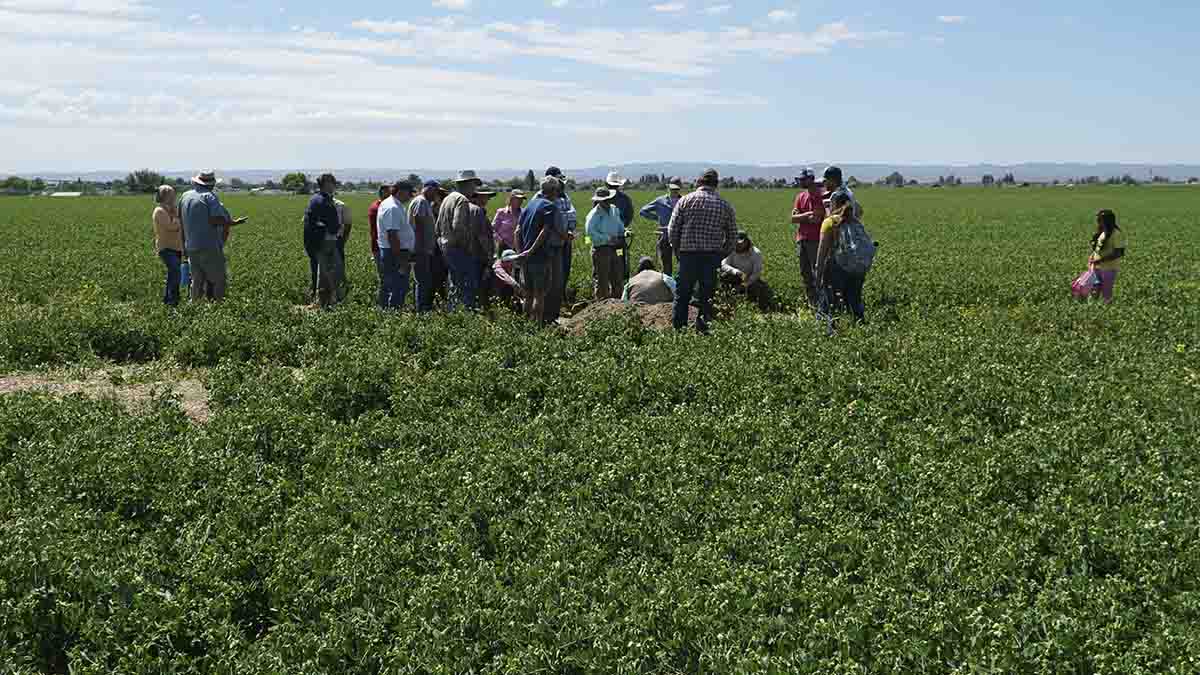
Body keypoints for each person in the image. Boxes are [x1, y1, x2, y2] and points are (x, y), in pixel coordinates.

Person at [667, 168, 737, 332]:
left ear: (699, 182)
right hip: (711, 256)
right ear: (716, 184)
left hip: (687, 255)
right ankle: (703, 331)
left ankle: (679, 330)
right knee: (707, 297)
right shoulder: (724, 205)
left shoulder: (685, 201)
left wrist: (677, 250)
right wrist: (721, 255)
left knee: (682, 294)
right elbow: (733, 236)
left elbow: (672, 230)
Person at [179, 170, 244, 302]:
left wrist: (183, 245)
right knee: (218, 280)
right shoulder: (209, 196)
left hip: (191, 246)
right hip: (209, 245)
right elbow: (216, 219)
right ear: (211, 184)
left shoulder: (185, 196)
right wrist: (232, 223)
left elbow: (181, 222)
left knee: (197, 280)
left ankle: (194, 306)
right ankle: (218, 307)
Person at [514, 175, 564, 323]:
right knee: (539, 295)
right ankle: (537, 327)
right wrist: (531, 251)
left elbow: (517, 231)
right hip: (540, 257)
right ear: (554, 190)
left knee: (528, 295)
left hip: (526, 259)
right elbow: (545, 230)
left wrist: (521, 253)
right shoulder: (550, 206)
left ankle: (525, 326)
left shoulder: (530, 205)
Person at [815, 192, 868, 322]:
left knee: (829, 304)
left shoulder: (830, 222)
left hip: (836, 268)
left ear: (834, 204)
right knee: (854, 302)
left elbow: (822, 252)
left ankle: (828, 333)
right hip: (857, 269)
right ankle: (861, 329)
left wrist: (818, 272)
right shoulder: (855, 221)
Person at [437, 170, 484, 311]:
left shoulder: (447, 199)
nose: (475, 189)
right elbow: (458, 227)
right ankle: (465, 315)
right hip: (458, 248)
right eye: (474, 185)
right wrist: (466, 247)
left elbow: (437, 226)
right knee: (466, 284)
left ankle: (453, 313)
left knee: (454, 282)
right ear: (468, 184)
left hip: (446, 247)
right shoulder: (462, 200)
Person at [303, 173, 343, 309]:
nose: (334, 184)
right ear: (326, 184)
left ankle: (325, 301)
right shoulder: (323, 201)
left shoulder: (316, 198)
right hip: (325, 241)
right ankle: (325, 302)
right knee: (329, 272)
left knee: (326, 272)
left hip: (318, 241)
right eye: (332, 182)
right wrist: (336, 228)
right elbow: (332, 225)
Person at [376, 180, 415, 309]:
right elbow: (392, 235)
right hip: (394, 252)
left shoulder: (393, 204)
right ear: (401, 191)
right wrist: (400, 258)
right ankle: (393, 312)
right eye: (410, 193)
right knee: (398, 285)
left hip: (393, 251)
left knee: (390, 284)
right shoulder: (392, 207)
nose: (411, 197)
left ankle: (386, 310)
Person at [544, 167, 576, 322]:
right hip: (552, 244)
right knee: (552, 279)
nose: (561, 184)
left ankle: (558, 308)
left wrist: (569, 231)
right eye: (558, 181)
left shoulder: (565, 197)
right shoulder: (542, 199)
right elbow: (552, 225)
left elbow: (572, 215)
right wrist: (564, 233)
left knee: (563, 274)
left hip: (565, 242)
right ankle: (550, 314)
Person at [790, 168, 826, 307]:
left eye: (803, 179)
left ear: (811, 179)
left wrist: (802, 216)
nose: (800, 182)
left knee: (818, 272)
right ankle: (813, 304)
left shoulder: (820, 196)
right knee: (805, 273)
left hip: (816, 240)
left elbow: (816, 219)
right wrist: (807, 215)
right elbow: (793, 218)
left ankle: (822, 304)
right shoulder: (800, 196)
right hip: (802, 239)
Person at [585, 187, 627, 300]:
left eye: (608, 199)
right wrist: (607, 239)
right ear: (599, 201)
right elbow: (590, 233)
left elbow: (619, 225)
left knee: (617, 277)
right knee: (602, 280)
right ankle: (601, 307)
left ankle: (617, 305)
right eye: (604, 200)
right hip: (601, 250)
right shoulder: (594, 214)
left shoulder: (614, 210)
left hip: (615, 248)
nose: (607, 202)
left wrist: (624, 232)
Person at [639, 178, 683, 276]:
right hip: (664, 236)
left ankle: (679, 287)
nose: (674, 191)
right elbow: (643, 211)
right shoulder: (661, 201)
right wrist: (657, 218)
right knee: (666, 264)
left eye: (676, 189)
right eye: (673, 188)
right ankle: (667, 285)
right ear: (669, 187)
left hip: (680, 236)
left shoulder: (684, 200)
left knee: (682, 264)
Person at [408, 180, 440, 312]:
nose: (436, 194)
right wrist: (422, 247)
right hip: (420, 249)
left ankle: (420, 306)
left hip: (422, 248)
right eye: (436, 191)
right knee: (423, 280)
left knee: (421, 280)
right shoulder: (421, 201)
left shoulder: (424, 202)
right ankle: (422, 309)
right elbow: (419, 225)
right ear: (429, 189)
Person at [720, 231, 771, 310]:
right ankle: (726, 301)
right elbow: (723, 264)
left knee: (758, 288)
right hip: (736, 276)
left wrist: (743, 285)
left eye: (741, 243)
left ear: (747, 242)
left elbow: (756, 274)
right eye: (736, 242)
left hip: (750, 279)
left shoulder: (756, 253)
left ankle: (756, 306)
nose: (739, 245)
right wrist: (735, 271)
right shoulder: (733, 250)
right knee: (724, 276)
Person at [152, 185, 183, 307]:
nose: (174, 196)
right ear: (164, 196)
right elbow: (172, 226)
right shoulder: (159, 211)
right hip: (166, 248)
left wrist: (176, 214)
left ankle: (170, 300)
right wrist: (177, 217)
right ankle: (172, 301)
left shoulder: (172, 209)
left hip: (177, 247)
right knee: (175, 271)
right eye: (171, 194)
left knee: (174, 274)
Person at [1087, 209, 1126, 303]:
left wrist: (1100, 260)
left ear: (1106, 220)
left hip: (1109, 268)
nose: (1097, 222)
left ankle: (1107, 308)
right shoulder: (1102, 232)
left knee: (1106, 293)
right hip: (1096, 267)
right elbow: (1098, 249)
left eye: (1099, 220)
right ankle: (1091, 309)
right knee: (1094, 290)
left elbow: (1119, 252)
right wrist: (1092, 257)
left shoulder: (1116, 234)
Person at [470, 189, 497, 310]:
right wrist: (489, 255)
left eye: (487, 197)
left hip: (477, 254)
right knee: (480, 287)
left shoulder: (476, 210)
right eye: (484, 196)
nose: (486, 199)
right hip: (479, 255)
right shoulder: (477, 211)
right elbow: (481, 236)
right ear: (477, 196)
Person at [606, 171, 636, 279]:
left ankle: (619, 284)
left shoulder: (625, 199)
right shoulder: (624, 199)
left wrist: (621, 228)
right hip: (612, 239)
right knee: (617, 261)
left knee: (618, 259)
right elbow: (629, 215)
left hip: (615, 240)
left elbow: (629, 215)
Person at [368, 184, 390, 307]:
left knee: (385, 278)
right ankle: (383, 305)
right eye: (389, 193)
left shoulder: (377, 206)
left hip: (379, 247)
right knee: (384, 279)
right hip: (380, 247)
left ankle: (384, 304)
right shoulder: (378, 208)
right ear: (382, 194)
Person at [492, 190, 525, 255]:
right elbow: (492, 229)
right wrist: (499, 240)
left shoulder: (524, 213)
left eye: (522, 199)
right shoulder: (501, 212)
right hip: (503, 246)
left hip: (519, 246)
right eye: (518, 199)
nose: (520, 201)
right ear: (511, 199)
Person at [334, 194, 352, 301]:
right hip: (327, 240)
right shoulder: (317, 204)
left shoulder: (341, 205)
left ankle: (342, 289)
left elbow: (348, 225)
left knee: (339, 265)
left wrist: (343, 239)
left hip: (337, 239)